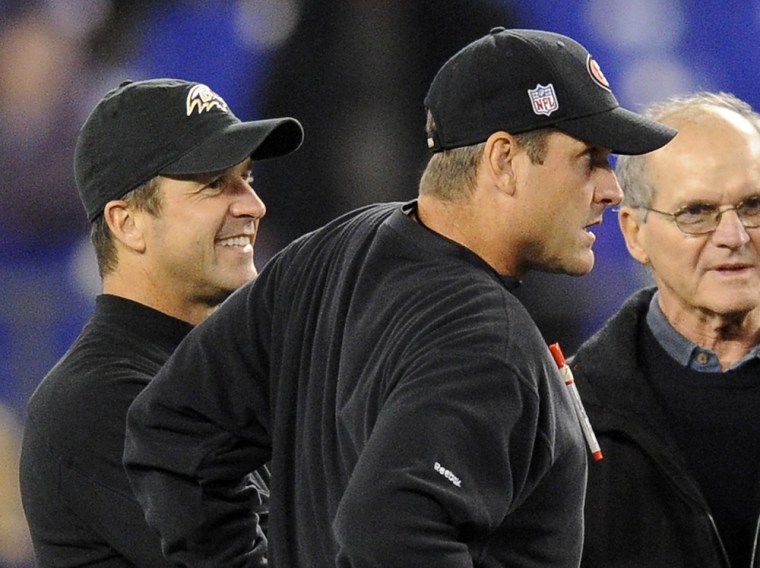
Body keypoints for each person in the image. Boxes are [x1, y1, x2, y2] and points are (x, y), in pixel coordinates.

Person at [123, 28, 675, 567]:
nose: (612, 188)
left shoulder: (328, 251)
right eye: (590, 158)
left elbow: (173, 429)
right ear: (504, 161)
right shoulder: (488, 339)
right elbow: (389, 531)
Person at [19, 78, 303, 567]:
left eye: (247, 178)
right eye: (214, 184)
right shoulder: (100, 404)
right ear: (127, 222)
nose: (252, 205)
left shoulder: (227, 378)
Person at [570, 92, 760, 567]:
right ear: (635, 234)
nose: (734, 236)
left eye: (754, 205)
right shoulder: (568, 420)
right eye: (697, 212)